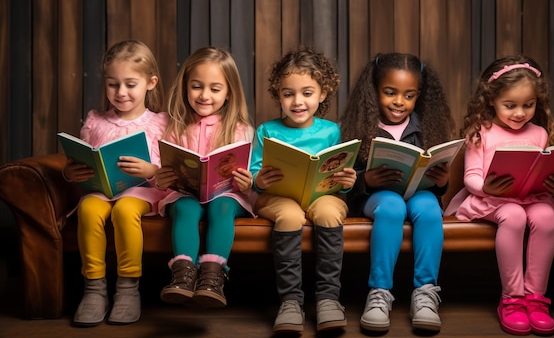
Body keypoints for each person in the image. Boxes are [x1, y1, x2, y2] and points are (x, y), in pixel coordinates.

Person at [444, 55, 554, 336]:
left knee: (546, 216)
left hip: (531, 197)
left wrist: (552, 184)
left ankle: (535, 298)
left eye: (528, 105)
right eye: (510, 105)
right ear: (491, 101)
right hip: (491, 201)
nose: (520, 113)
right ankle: (512, 299)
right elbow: (471, 176)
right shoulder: (481, 132)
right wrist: (487, 187)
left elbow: (543, 168)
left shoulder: (539, 133)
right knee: (513, 215)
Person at [339, 52, 455, 333]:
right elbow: (343, 183)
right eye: (390, 93)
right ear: (375, 90)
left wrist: (441, 180)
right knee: (392, 207)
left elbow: (440, 180)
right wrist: (367, 178)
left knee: (429, 210)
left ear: (419, 96)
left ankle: (425, 293)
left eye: (409, 95)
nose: (399, 102)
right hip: (377, 197)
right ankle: (379, 293)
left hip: (419, 193)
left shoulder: (428, 126)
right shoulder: (360, 126)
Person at [249, 46, 356, 333]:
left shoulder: (331, 131)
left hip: (322, 196)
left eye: (307, 93)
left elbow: (339, 171)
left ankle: (328, 299)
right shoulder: (266, 130)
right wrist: (259, 181)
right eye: (288, 93)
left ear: (322, 94)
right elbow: (253, 174)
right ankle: (290, 301)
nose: (297, 101)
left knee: (329, 214)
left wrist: (347, 180)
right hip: (277, 198)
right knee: (290, 216)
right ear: (278, 95)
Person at [62, 40, 169, 326]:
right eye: (113, 84)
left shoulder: (160, 123)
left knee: (123, 210)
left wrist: (151, 169)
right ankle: (95, 289)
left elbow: (168, 172)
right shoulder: (95, 120)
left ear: (150, 83)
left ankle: (127, 289)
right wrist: (71, 173)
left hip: (143, 191)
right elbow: (83, 159)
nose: (121, 93)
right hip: (100, 191)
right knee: (88, 211)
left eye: (130, 84)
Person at [155, 47, 255, 310]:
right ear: (186, 86)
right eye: (197, 86)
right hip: (186, 193)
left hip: (227, 196)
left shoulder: (241, 129)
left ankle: (212, 277)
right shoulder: (174, 126)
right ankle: (183, 275)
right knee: (185, 208)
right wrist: (162, 178)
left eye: (215, 88)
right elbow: (161, 168)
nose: (204, 95)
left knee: (220, 207)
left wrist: (248, 181)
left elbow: (250, 170)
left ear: (229, 92)